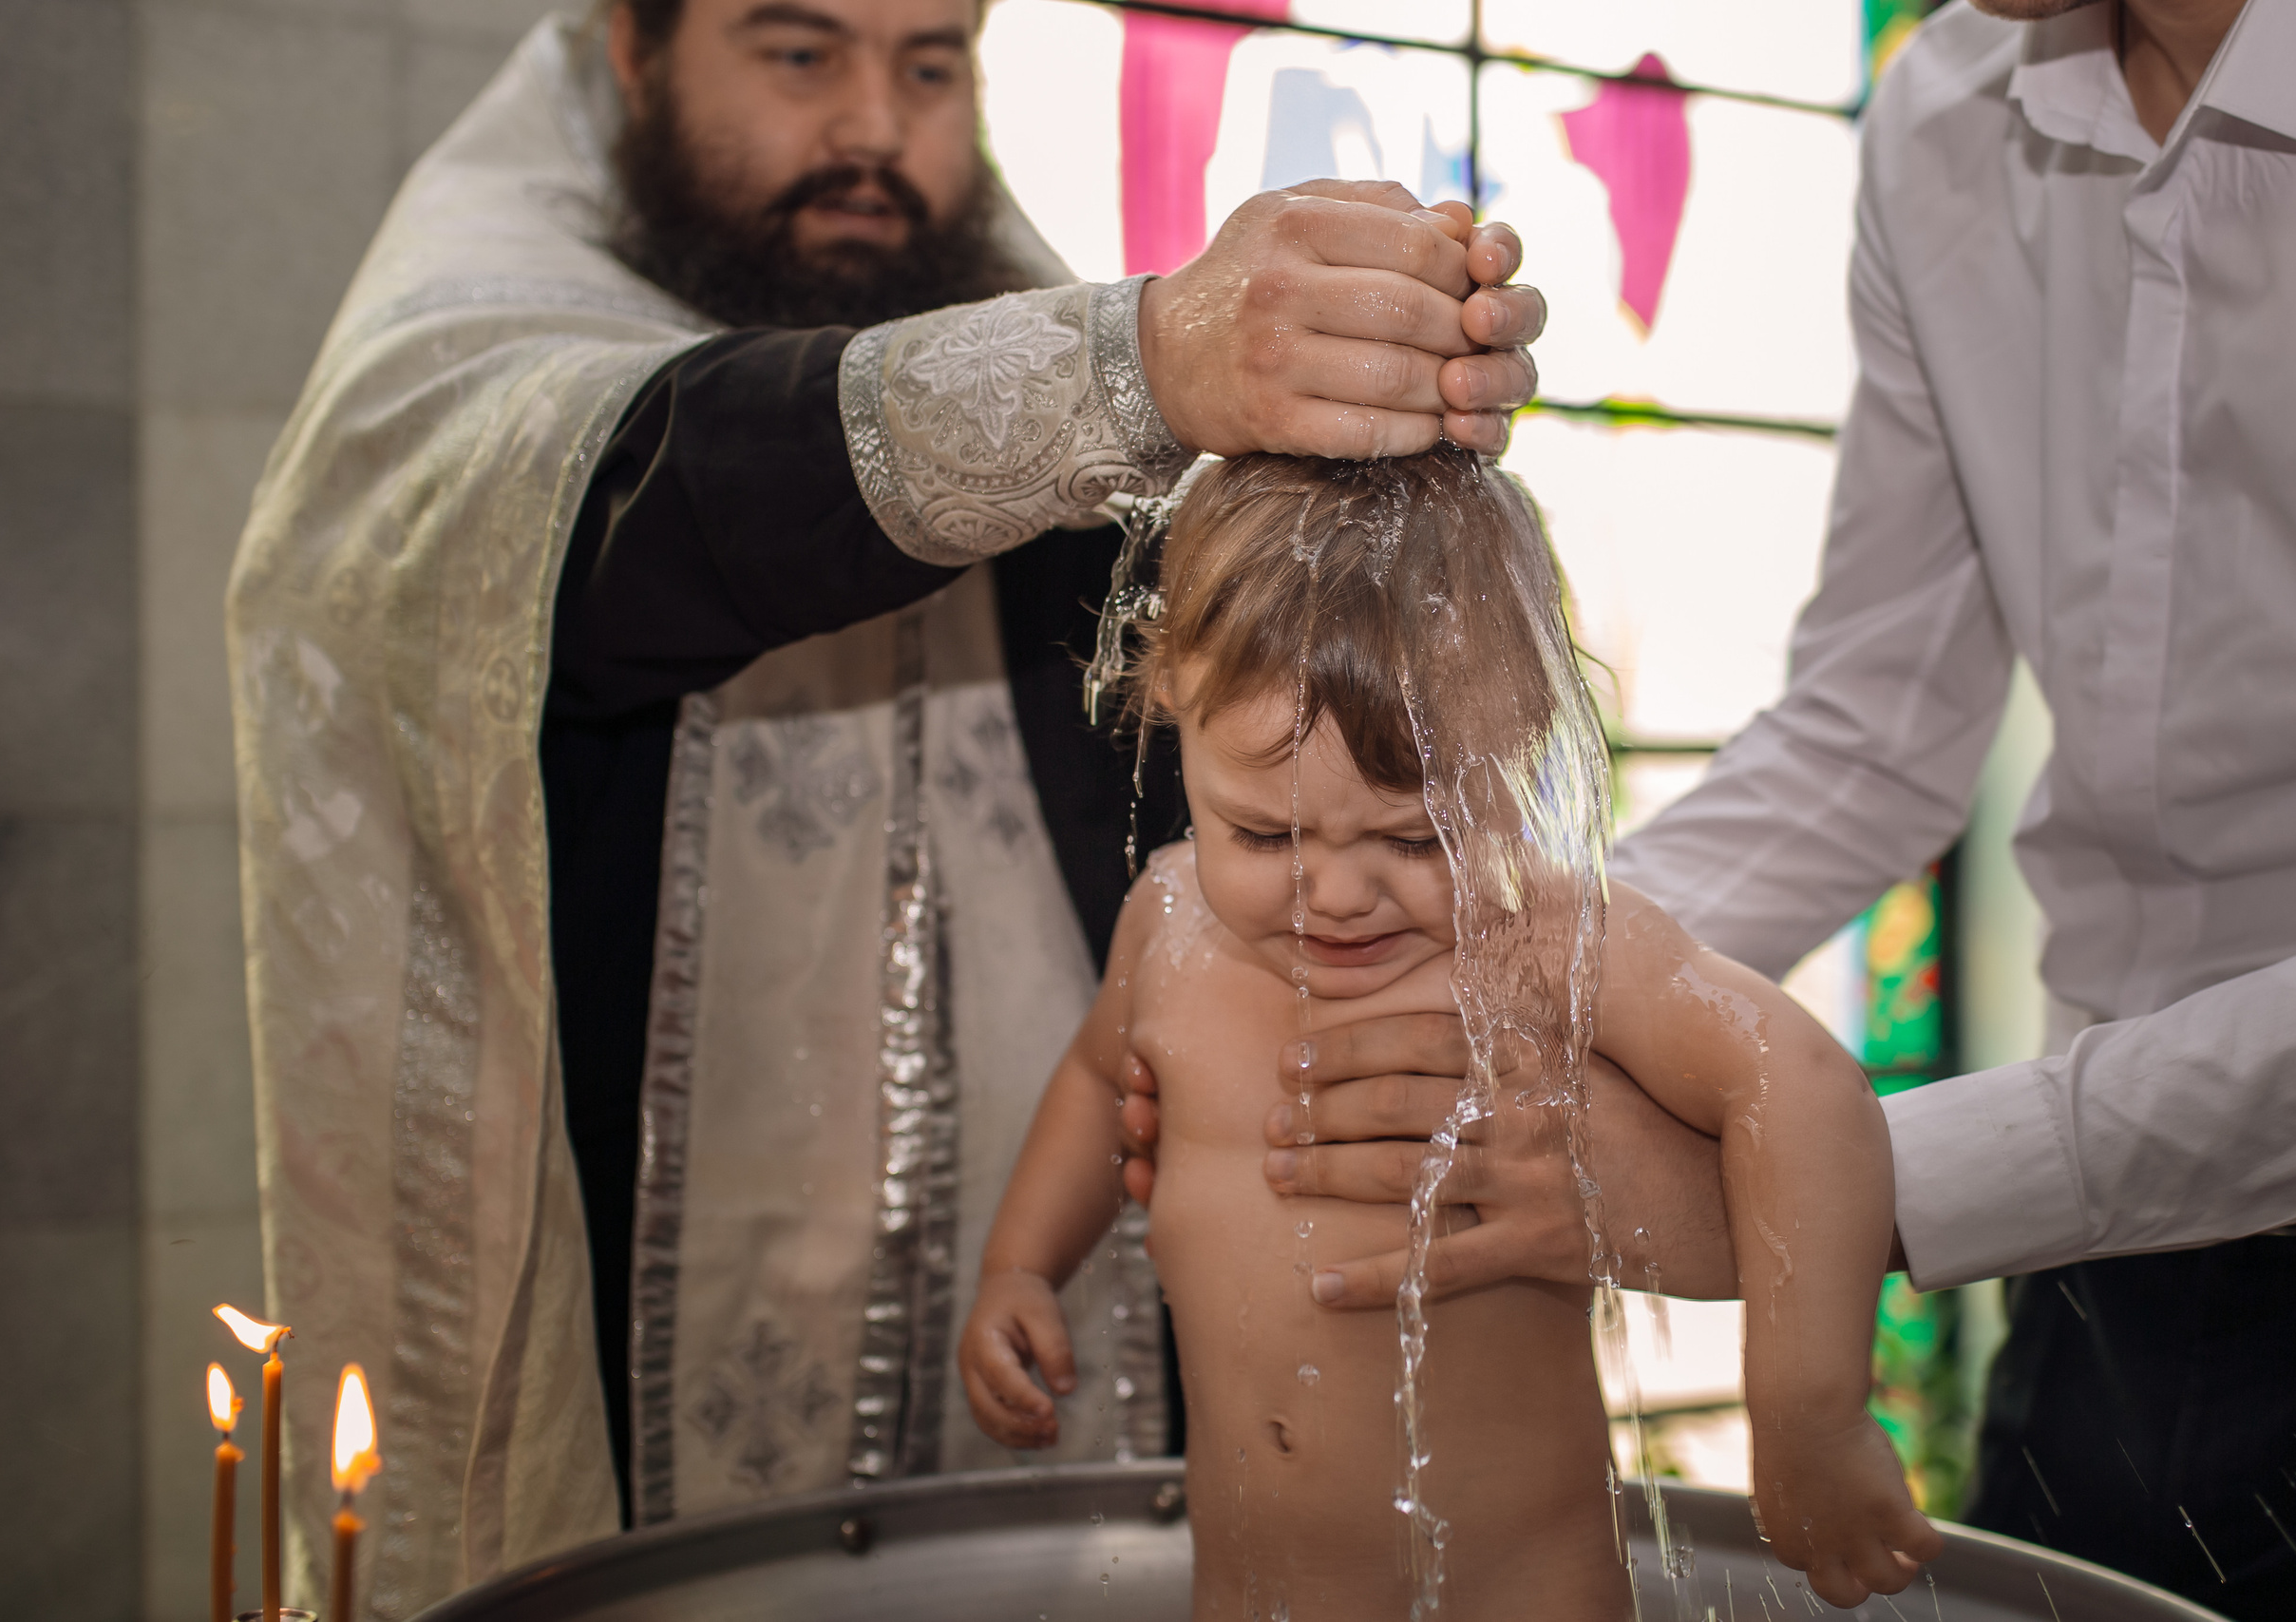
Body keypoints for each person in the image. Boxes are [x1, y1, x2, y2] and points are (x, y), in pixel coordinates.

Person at [225, 0, 1553, 1611]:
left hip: (1059, 1359)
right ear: (633, 57)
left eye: (931, 65)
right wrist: (1131, 362)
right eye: (799, 52)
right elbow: (646, 499)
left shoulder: (995, 297)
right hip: (649, 1396)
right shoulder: (468, 340)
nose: (875, 128)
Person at [1138, 3, 2296, 1617]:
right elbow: (1871, 731)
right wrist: (1506, 1002)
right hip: (2116, 1253)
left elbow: (1793, 1096)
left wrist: (1810, 1200)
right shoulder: (1945, 112)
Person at [958, 449, 1943, 1617]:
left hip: (1518, 1590)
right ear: (1170, 693)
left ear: (1522, 726)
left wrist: (1806, 1413)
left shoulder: (1543, 938)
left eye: (1415, 842)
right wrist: (1022, 1263)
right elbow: (1090, 1083)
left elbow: (1802, 1085)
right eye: (1264, 838)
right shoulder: (1164, 922)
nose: (1333, 895)